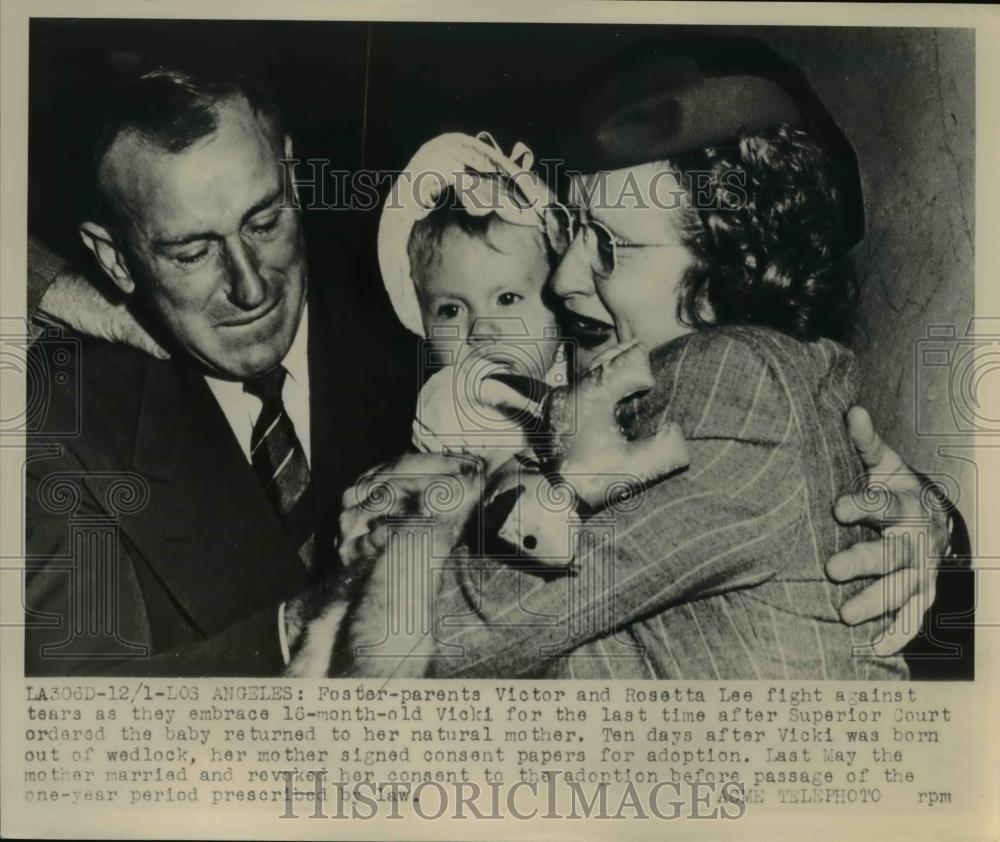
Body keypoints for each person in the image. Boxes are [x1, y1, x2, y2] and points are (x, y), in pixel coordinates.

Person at [321, 45, 963, 679]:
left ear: (728, 276)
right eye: (572, 230)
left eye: (609, 245)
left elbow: (432, 637)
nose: (564, 277)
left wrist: (419, 524)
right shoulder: (639, 393)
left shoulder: (735, 380)